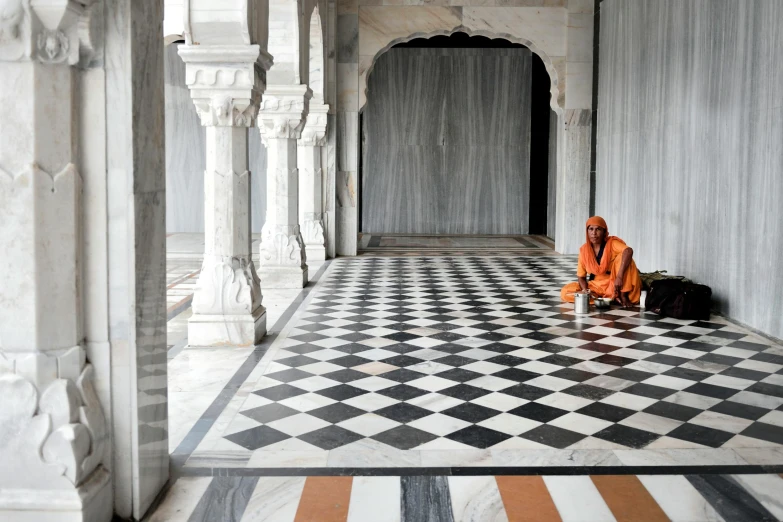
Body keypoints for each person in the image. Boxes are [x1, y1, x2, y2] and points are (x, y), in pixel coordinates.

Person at [560, 216, 642, 308]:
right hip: (597, 286)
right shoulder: (584, 250)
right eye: (591, 229)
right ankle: (606, 297)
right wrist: (585, 290)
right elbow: (581, 277)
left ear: (604, 232)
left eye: (598, 229)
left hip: (618, 283)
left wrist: (619, 277)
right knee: (565, 291)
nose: (594, 233)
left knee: (623, 257)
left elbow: (628, 251)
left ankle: (623, 296)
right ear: (587, 232)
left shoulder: (612, 243)